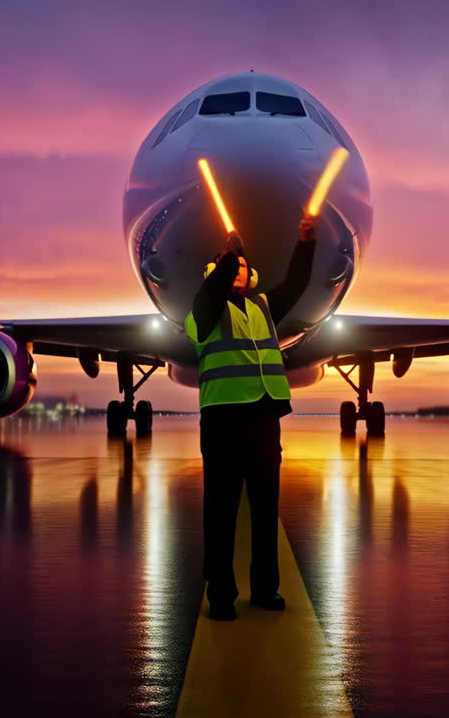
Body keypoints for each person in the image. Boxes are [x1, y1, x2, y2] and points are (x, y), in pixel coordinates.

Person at [184, 215, 317, 621]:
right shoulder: (202, 312)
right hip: (224, 423)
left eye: (243, 267)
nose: (239, 272)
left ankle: (264, 589)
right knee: (221, 514)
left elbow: (294, 287)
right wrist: (230, 254)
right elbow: (213, 291)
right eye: (231, 267)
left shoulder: (262, 308)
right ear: (218, 270)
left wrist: (305, 244)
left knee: (264, 512)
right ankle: (221, 596)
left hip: (263, 420)